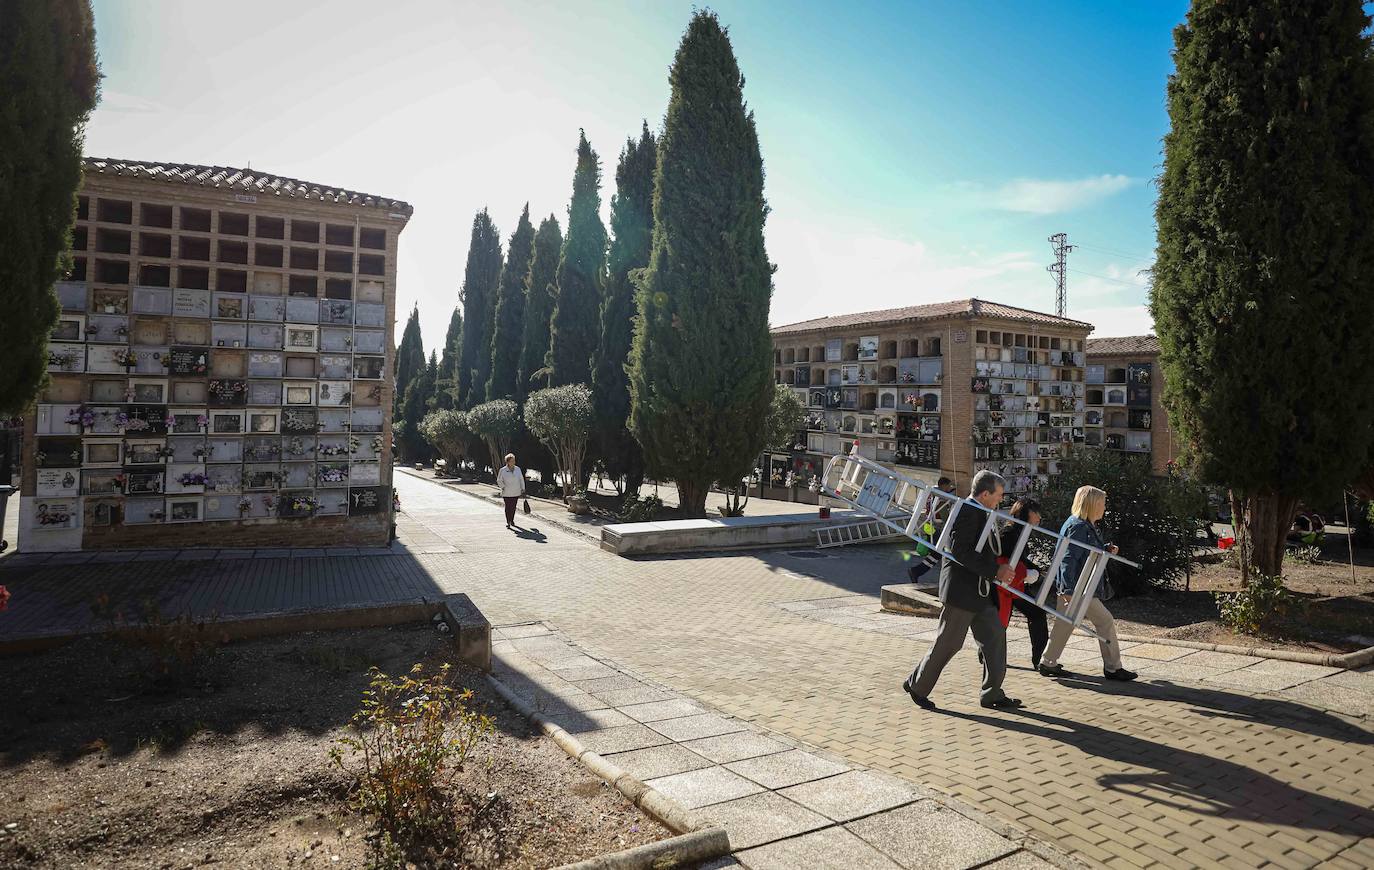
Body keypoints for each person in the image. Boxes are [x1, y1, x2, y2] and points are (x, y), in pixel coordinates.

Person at [902, 470, 1021, 711]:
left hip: (980, 591)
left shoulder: (982, 511)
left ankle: (992, 693)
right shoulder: (967, 511)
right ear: (985, 494)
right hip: (962, 592)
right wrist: (995, 571)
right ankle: (917, 686)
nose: (1001, 500)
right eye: (998, 495)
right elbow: (960, 552)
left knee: (995, 637)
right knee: (949, 643)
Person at [1037, 485, 1137, 682]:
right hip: (1079, 588)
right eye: (1102, 503)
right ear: (1092, 504)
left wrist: (1105, 548)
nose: (1104, 507)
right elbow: (1068, 558)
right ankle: (1113, 668)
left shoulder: (1080, 524)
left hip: (1077, 587)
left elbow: (1081, 552)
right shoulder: (1079, 526)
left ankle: (1048, 662)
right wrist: (1067, 589)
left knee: (1064, 624)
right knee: (1105, 621)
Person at [996, 498, 1050, 669]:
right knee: (1004, 619)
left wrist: (1035, 569)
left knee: (1033, 614)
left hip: (1015, 585)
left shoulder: (1018, 531)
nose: (1039, 518)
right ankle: (989, 655)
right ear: (1027, 513)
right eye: (1037, 513)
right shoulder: (1009, 532)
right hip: (1006, 585)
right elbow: (1006, 558)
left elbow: (1019, 558)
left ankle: (1039, 658)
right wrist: (1028, 571)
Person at [906, 477, 957, 583]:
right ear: (943, 485)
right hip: (935, 528)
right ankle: (917, 571)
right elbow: (945, 516)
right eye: (948, 486)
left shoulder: (932, 492)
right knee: (946, 551)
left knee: (937, 553)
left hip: (929, 527)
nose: (949, 488)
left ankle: (916, 571)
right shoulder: (941, 498)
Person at [497, 453, 526, 529]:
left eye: (514, 460)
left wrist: (523, 488)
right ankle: (508, 521)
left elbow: (521, 479)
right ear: (508, 462)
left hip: (516, 491)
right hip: (506, 492)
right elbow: (499, 480)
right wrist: (503, 487)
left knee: (513, 507)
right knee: (508, 507)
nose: (513, 462)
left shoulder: (518, 469)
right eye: (512, 461)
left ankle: (512, 520)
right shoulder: (503, 470)